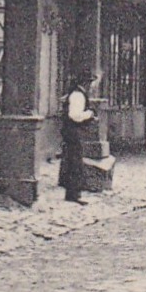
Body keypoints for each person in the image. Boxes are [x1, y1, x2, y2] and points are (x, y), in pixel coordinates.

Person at [59, 75, 97, 204]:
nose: (90, 86)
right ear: (84, 82)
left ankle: (72, 192)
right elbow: (75, 115)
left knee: (72, 160)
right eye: (89, 83)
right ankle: (73, 194)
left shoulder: (76, 94)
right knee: (75, 162)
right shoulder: (78, 95)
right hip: (73, 131)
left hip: (72, 131)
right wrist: (89, 114)